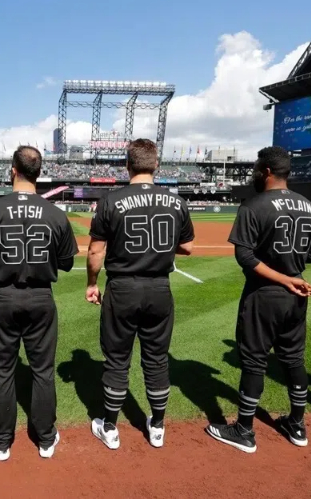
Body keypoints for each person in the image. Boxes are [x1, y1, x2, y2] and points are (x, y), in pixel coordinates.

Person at [205, 146, 311, 453]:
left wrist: (282, 276)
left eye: (258, 168)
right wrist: (291, 273)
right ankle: (297, 425)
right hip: (296, 296)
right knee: (293, 359)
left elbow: (245, 256)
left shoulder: (254, 205)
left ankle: (244, 430)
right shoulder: (308, 206)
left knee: (254, 360)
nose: (255, 173)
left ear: (268, 171)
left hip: (264, 294)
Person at [0, 146, 78, 461]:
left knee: (2, 372)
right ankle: (45, 439)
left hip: (3, 296)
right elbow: (68, 263)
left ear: (12, 171)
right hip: (41, 297)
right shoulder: (56, 214)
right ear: (38, 173)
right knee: (43, 371)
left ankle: (2, 442)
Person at [86, 139, 194, 450]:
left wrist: (92, 283)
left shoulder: (111, 201)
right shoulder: (175, 201)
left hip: (122, 288)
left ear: (127, 165)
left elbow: (96, 251)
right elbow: (187, 247)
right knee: (157, 360)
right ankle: (157, 426)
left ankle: (110, 427)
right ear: (156, 164)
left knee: (117, 361)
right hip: (159, 287)